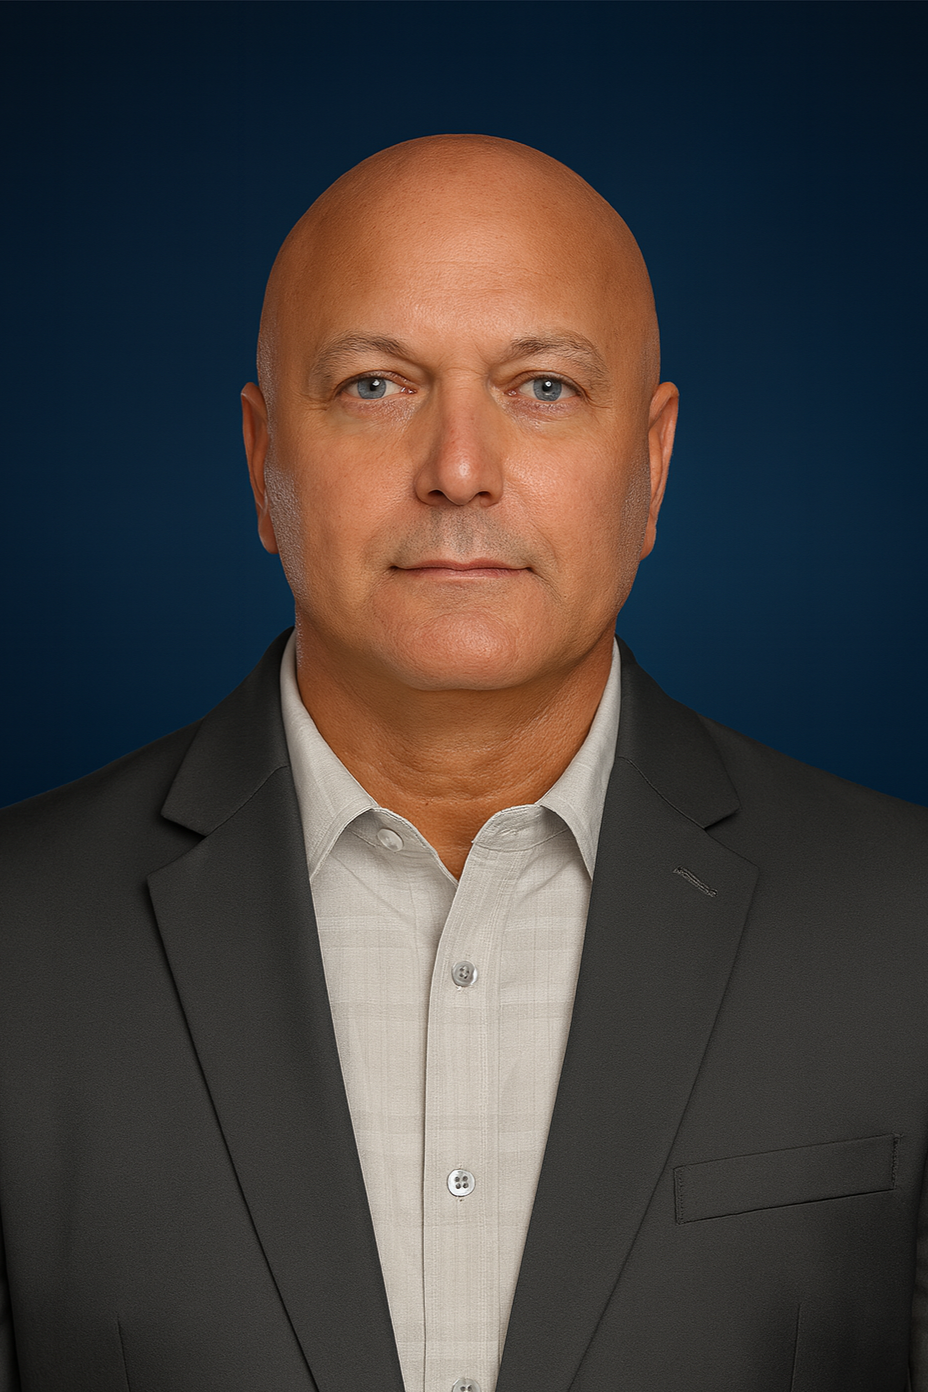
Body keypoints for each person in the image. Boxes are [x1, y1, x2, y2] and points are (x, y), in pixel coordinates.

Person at [1, 134, 926, 1392]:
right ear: (262, 464)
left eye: (542, 387)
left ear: (649, 467)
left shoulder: (903, 923)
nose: (458, 471)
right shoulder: (20, 932)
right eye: (376, 386)